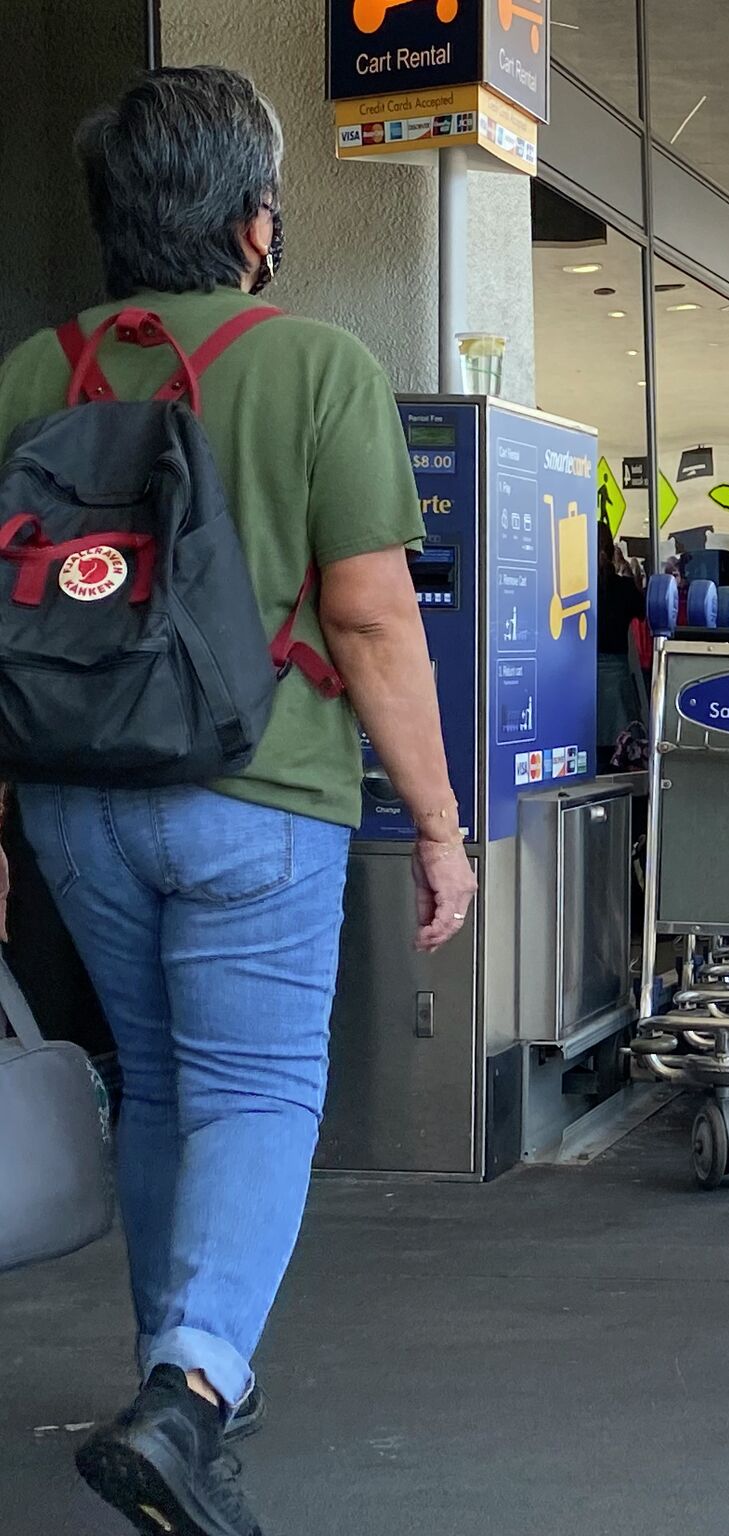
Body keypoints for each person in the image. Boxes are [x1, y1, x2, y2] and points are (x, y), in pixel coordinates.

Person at [0, 67, 475, 1536]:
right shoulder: (314, 364)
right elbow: (375, 623)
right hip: (257, 797)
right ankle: (191, 1391)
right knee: (258, 1090)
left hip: (74, 800)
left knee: (155, 1084)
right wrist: (440, 830)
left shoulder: (27, 377)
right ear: (253, 224)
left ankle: (177, 1379)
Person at [595, 519, 647, 771]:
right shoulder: (623, 588)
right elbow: (644, 612)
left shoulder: (572, 587)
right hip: (616, 676)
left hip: (577, 677)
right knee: (617, 748)